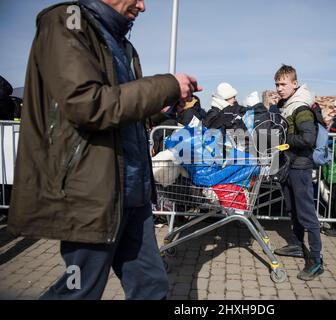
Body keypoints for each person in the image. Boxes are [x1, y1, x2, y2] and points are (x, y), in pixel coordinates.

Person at [7, 0, 201, 300]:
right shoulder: (67, 20)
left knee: (152, 287)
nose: (143, 6)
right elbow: (87, 105)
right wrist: (166, 85)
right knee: (79, 290)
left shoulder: (123, 44)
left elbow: (120, 110)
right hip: (93, 195)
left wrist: (159, 108)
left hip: (134, 193)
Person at [272, 64, 324, 281]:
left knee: (306, 213)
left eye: (283, 84)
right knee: (292, 208)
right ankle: (296, 244)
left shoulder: (301, 107)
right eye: (277, 84)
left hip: (300, 165)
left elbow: (307, 139)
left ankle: (316, 260)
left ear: (295, 83)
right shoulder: (287, 105)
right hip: (289, 164)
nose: (279, 88)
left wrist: (282, 141)